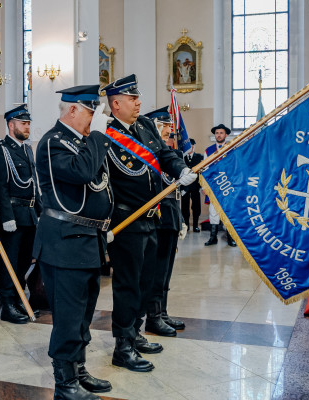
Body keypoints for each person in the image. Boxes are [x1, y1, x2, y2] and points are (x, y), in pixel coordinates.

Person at [104, 74, 196, 372]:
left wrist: (180, 168)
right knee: (127, 285)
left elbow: (165, 153)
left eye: (138, 97)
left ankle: (136, 332)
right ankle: (123, 345)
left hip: (151, 217)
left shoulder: (144, 126)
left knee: (146, 282)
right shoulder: (105, 133)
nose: (138, 102)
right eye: (132, 99)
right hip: (125, 218)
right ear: (116, 104)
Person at [34, 84, 114, 399]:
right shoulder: (54, 143)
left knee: (83, 315)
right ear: (72, 110)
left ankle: (78, 371)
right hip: (64, 243)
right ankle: (64, 383)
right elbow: (82, 172)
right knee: (68, 317)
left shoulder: (82, 142)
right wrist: (98, 136)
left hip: (89, 240)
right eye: (91, 112)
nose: (94, 119)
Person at [0, 104, 41, 324]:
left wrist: (39, 212)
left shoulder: (27, 149)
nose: (27, 127)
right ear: (11, 125)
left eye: (28, 123)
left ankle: (19, 298)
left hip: (28, 214)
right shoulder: (1, 149)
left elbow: (34, 185)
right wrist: (6, 216)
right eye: (22, 123)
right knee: (9, 261)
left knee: (22, 262)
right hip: (11, 215)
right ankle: (8, 303)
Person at [143, 107, 187, 337]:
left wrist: (181, 219)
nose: (170, 129)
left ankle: (163, 311)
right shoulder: (147, 153)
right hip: (156, 218)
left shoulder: (170, 153)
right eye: (165, 125)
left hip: (170, 216)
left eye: (170, 125)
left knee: (166, 270)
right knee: (156, 270)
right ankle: (153, 316)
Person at [204, 124, 236, 247]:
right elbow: (205, 169)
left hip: (227, 185)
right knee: (213, 211)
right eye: (217, 133)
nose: (219, 135)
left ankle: (230, 238)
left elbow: (234, 169)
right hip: (213, 186)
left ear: (226, 135)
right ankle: (213, 238)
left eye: (221, 133)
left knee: (228, 211)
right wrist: (205, 187)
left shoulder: (231, 149)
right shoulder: (209, 150)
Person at [181, 138, 202, 232]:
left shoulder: (199, 157)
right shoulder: (181, 157)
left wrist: (201, 186)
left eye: (191, 146)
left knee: (196, 207)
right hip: (184, 186)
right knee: (185, 207)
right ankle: (186, 225)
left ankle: (195, 225)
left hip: (195, 186)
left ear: (194, 146)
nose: (190, 148)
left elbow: (202, 172)